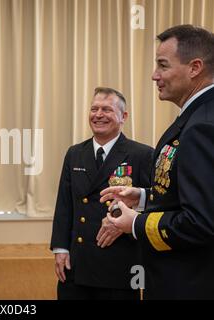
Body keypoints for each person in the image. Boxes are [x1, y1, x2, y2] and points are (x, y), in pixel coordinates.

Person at [100, 25, 214, 300]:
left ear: (194, 67)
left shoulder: (202, 126)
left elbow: (201, 221)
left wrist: (136, 224)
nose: (154, 75)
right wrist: (141, 197)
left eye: (163, 65)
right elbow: (190, 196)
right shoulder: (196, 116)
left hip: (189, 283)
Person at [50, 87, 154, 300]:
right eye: (94, 109)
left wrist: (127, 223)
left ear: (123, 116)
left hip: (120, 262)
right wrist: (60, 249)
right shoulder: (75, 153)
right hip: (77, 262)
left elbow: (156, 201)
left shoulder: (142, 154)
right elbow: (64, 205)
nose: (98, 115)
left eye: (106, 109)